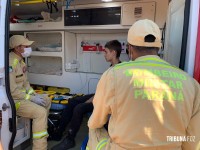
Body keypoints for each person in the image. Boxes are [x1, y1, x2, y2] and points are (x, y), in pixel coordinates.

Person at [87, 19, 200, 150]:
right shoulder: (190, 83)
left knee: (93, 128)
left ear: (129, 48)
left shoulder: (113, 75)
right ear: (159, 47)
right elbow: (193, 141)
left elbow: (97, 120)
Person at [51, 40, 122, 150]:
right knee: (72, 101)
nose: (104, 55)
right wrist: (92, 98)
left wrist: (90, 100)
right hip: (101, 95)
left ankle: (70, 139)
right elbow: (102, 90)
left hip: (107, 100)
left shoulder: (119, 70)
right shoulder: (111, 67)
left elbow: (108, 93)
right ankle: (58, 132)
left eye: (106, 52)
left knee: (79, 108)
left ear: (113, 52)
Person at [9, 35, 51, 150]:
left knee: (46, 99)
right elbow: (12, 91)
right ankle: (40, 147)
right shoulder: (10, 63)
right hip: (15, 101)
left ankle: (41, 131)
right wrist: (31, 98)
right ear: (17, 48)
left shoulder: (21, 62)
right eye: (26, 46)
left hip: (23, 97)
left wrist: (34, 94)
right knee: (41, 112)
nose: (29, 48)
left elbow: (26, 83)